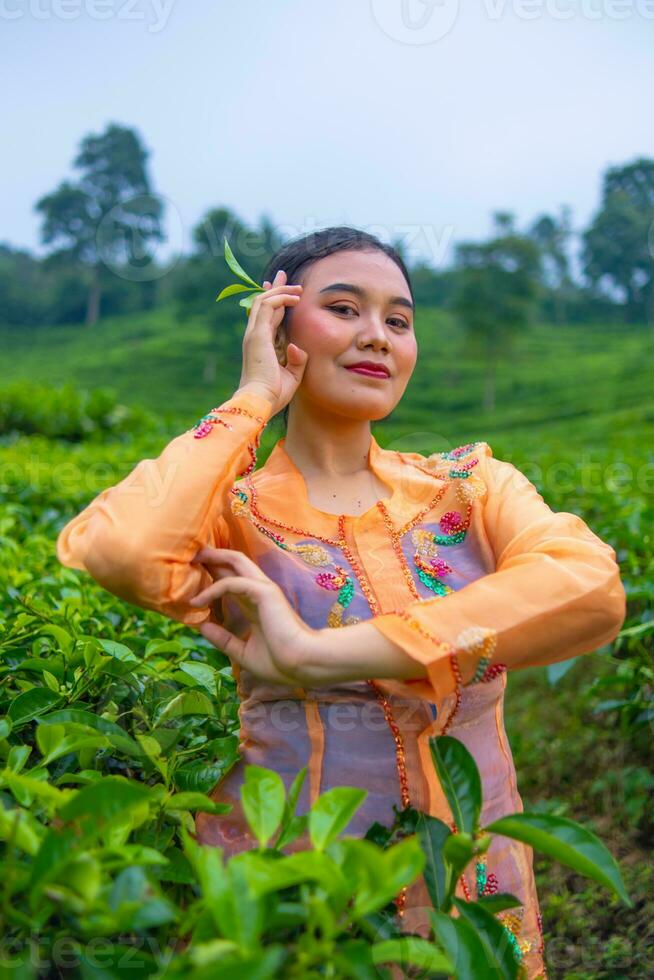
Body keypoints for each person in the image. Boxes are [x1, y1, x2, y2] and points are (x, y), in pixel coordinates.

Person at [56, 226, 626, 979]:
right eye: (344, 308)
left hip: (475, 883)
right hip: (298, 889)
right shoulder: (235, 512)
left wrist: (313, 655)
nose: (377, 337)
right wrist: (254, 397)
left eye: (398, 319)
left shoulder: (472, 486)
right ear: (278, 325)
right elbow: (122, 550)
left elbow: (590, 585)